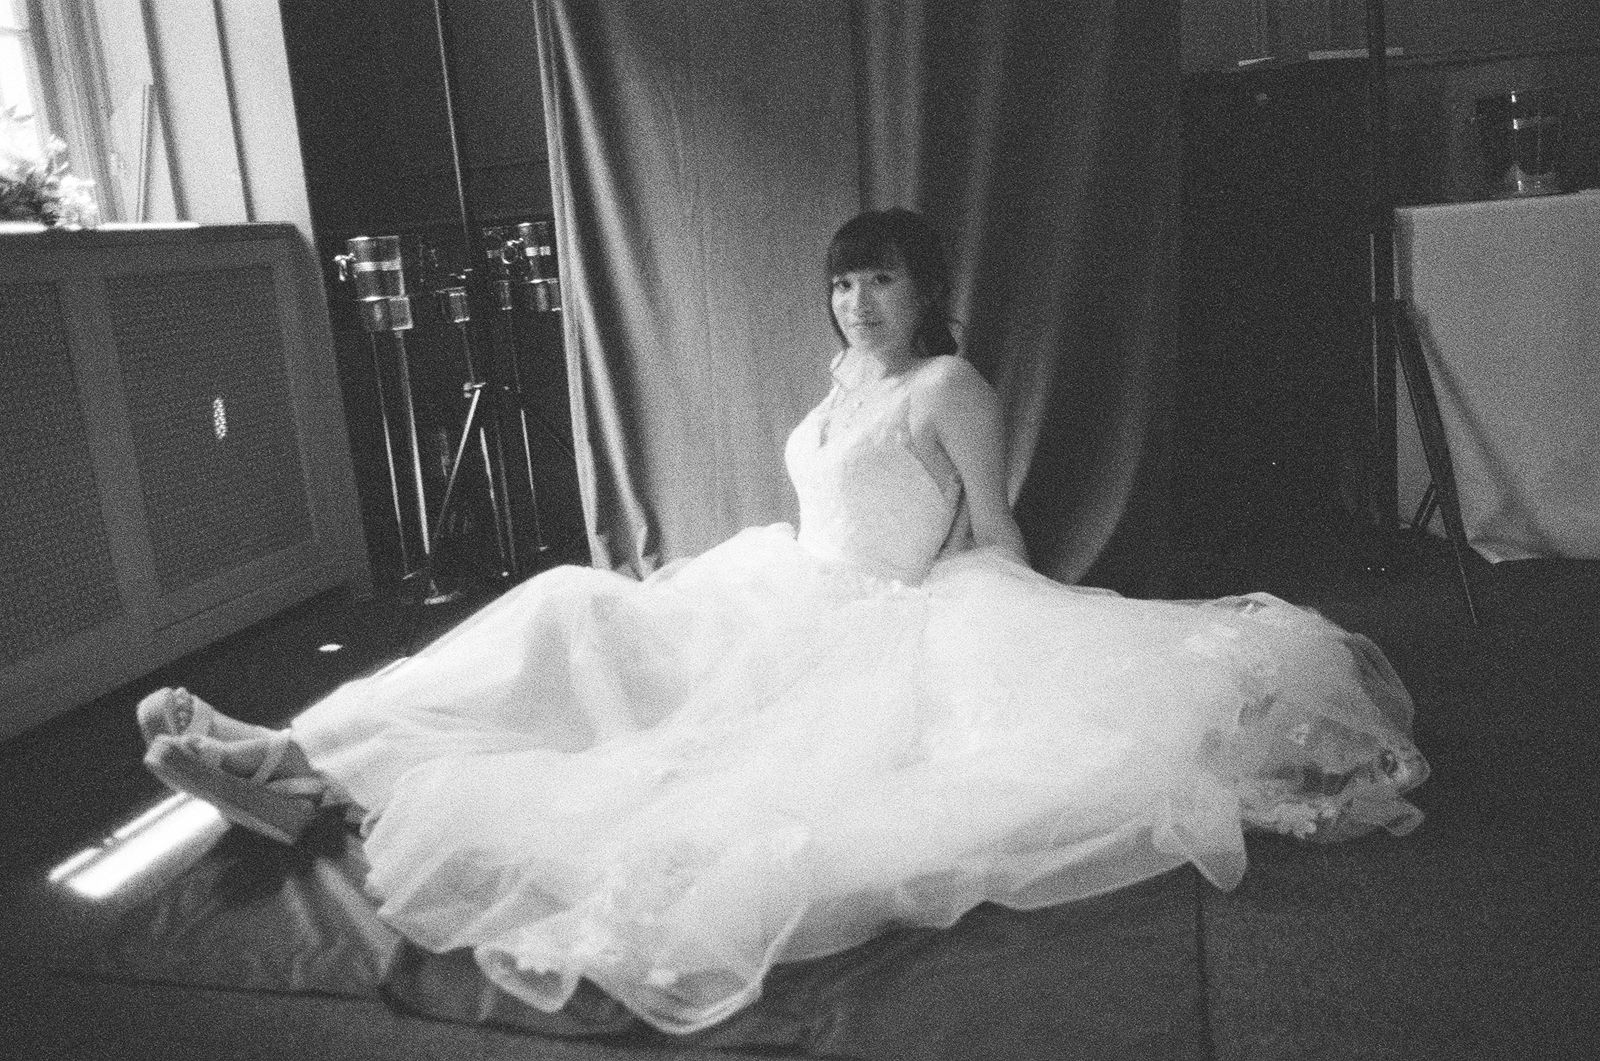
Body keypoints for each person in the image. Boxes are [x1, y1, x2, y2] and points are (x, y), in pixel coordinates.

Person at [139, 207, 1428, 1035]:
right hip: (767, 587)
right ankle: (292, 752)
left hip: (872, 614)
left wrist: (1026, 632)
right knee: (561, 612)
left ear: (924, 293)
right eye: (845, 286)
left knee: (613, 695)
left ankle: (306, 767)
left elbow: (987, 528)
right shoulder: (837, 383)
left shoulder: (947, 384)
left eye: (880, 283)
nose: (859, 304)